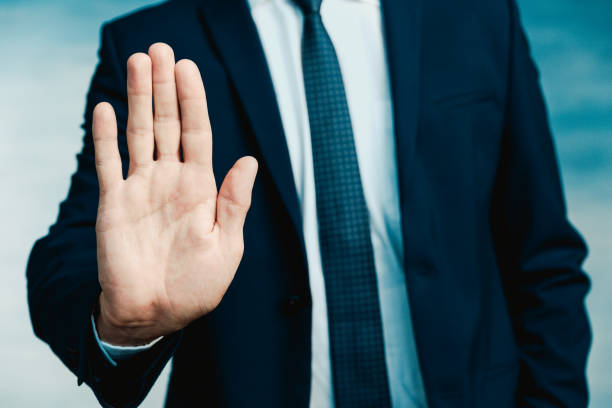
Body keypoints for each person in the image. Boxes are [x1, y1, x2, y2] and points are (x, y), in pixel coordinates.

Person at [26, 0, 591, 407]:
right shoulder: (150, 45)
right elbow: (71, 255)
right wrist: (125, 325)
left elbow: (543, 257)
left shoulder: (478, 16)